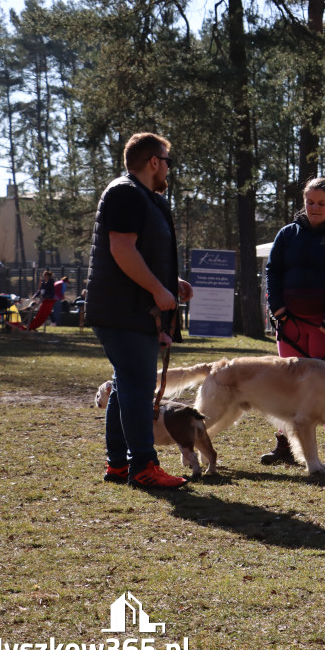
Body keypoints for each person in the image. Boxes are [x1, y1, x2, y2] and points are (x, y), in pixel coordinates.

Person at [85, 132, 192, 489]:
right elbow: (122, 249)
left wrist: (170, 281)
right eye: (167, 162)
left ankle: (118, 465)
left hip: (128, 309)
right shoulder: (126, 193)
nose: (169, 170)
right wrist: (158, 289)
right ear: (154, 162)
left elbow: (141, 251)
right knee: (138, 387)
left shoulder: (145, 198)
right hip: (122, 311)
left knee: (125, 385)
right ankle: (143, 466)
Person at [263, 177, 325, 467]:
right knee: (287, 383)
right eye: (310, 202)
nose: (315, 207)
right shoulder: (287, 234)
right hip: (290, 322)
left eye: (321, 203)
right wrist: (277, 308)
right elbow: (272, 270)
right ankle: (285, 445)